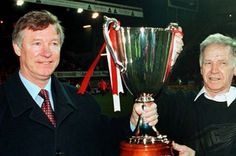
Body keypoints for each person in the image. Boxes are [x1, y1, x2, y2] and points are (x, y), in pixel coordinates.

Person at [0, 10, 158, 156]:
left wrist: (132, 120)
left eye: (54, 43)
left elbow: (107, 138)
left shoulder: (83, 101)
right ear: (17, 48)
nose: (47, 52)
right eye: (37, 43)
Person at [132, 33, 236, 156]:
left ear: (234, 69)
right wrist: (166, 58)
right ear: (201, 68)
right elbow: (147, 93)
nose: (214, 70)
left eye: (222, 63)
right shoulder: (179, 103)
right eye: (208, 63)